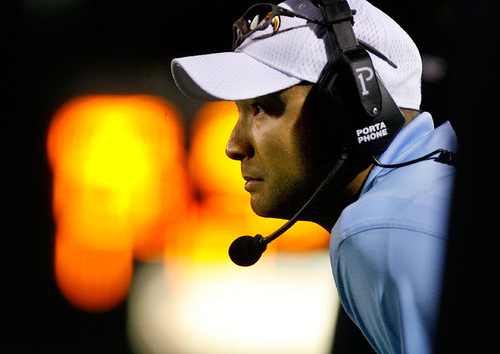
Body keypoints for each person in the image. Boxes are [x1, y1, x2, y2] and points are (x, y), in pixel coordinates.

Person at [171, 0, 458, 352]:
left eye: (261, 108)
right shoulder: (445, 180)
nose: (234, 145)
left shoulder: (379, 227)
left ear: (355, 108)